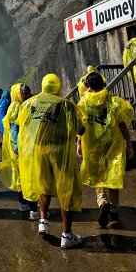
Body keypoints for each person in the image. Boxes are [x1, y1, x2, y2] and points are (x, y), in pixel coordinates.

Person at [17, 74, 84, 248]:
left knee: (44, 186)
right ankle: (67, 235)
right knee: (66, 190)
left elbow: (22, 126)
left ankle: (43, 221)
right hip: (60, 152)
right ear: (58, 86)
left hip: (39, 151)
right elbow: (80, 129)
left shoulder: (29, 103)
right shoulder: (66, 105)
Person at [76, 72, 134, 227]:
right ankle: (114, 207)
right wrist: (129, 143)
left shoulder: (83, 102)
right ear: (103, 83)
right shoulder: (113, 101)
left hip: (93, 144)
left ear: (87, 86)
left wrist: (79, 144)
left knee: (96, 174)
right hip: (112, 143)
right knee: (113, 173)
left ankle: (102, 201)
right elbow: (122, 124)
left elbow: (80, 126)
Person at [0, 83, 38, 220]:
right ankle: (33, 210)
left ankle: (23, 204)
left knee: (21, 176)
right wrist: (17, 148)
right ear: (18, 94)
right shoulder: (19, 107)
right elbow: (15, 130)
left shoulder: (14, 106)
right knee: (28, 177)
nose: (28, 94)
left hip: (19, 147)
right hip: (22, 147)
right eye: (25, 92)